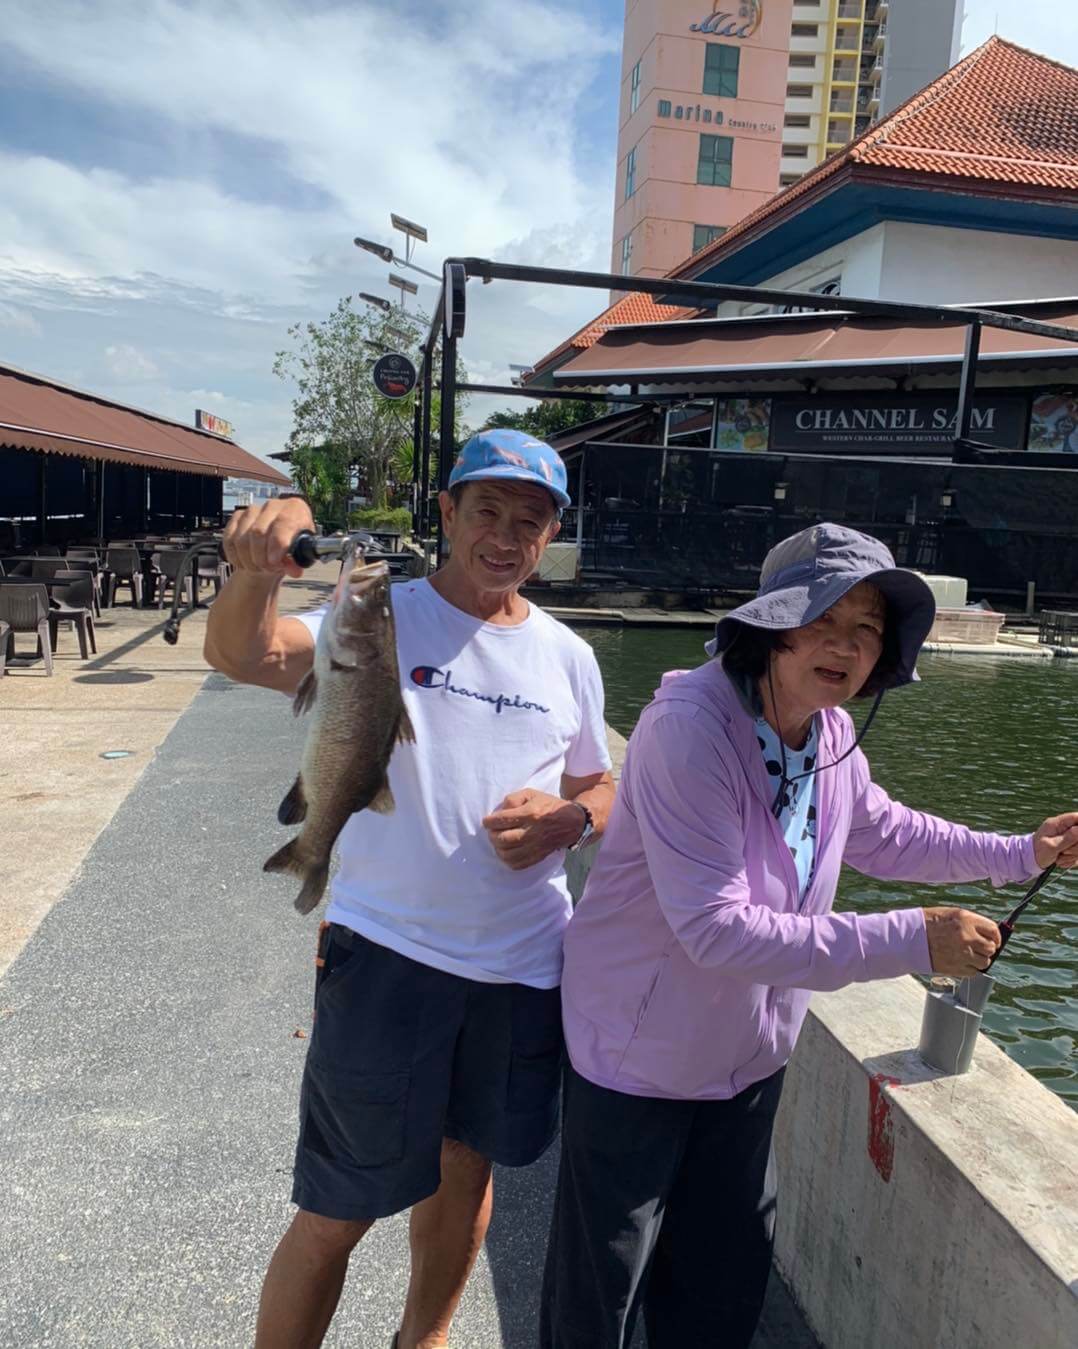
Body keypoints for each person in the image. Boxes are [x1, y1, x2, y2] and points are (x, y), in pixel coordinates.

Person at [539, 523, 1078, 1349]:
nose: (846, 644)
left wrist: (1020, 854)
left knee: (721, 1292)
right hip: (635, 1063)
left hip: (747, 1067)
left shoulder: (827, 736)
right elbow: (716, 932)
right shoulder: (690, 729)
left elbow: (886, 832)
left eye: (867, 630)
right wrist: (911, 937)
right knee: (599, 1302)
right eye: (824, 618)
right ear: (772, 625)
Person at [204, 429, 615, 1349]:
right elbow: (247, 655)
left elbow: (603, 782)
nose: (506, 536)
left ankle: (419, 1342)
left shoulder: (569, 657)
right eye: (487, 511)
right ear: (447, 514)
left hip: (521, 968)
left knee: (466, 1175)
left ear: (550, 534)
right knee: (337, 1205)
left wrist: (573, 818)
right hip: (387, 953)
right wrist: (256, 573)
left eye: (530, 519)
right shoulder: (381, 615)